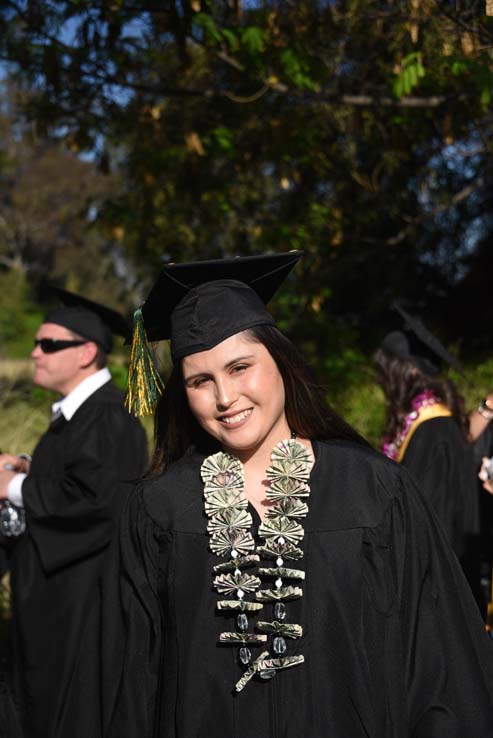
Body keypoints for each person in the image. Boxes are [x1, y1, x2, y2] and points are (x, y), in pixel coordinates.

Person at [103, 253, 493, 738]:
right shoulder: (160, 510)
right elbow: (133, 686)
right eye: (200, 381)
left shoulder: (373, 492)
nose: (225, 398)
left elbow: (438, 668)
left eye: (241, 367)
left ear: (281, 363)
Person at [0, 288, 148, 738]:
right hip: (53, 607)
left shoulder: (107, 419)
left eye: (48, 344)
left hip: (80, 612)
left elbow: (96, 503)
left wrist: (14, 486)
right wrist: (29, 466)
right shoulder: (80, 417)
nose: (34, 353)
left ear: (86, 352)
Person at [374, 305, 480, 576]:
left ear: (408, 371)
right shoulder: (416, 426)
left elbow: (435, 525)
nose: (380, 380)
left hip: (435, 585)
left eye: (385, 371)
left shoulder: (436, 433)